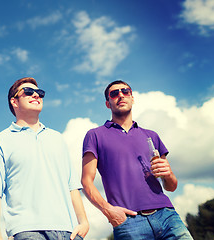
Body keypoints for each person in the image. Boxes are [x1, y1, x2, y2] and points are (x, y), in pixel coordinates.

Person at [0, 77, 89, 240]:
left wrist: (84, 221)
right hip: (27, 232)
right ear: (14, 101)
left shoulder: (57, 138)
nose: (36, 95)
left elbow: (72, 185)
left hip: (68, 231)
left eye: (40, 93)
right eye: (29, 92)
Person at [81, 80, 193, 239]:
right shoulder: (95, 135)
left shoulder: (151, 135)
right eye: (114, 93)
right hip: (129, 222)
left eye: (125, 91)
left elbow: (171, 186)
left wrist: (168, 174)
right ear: (108, 103)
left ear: (132, 98)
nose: (120, 95)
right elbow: (86, 181)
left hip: (167, 216)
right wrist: (109, 211)